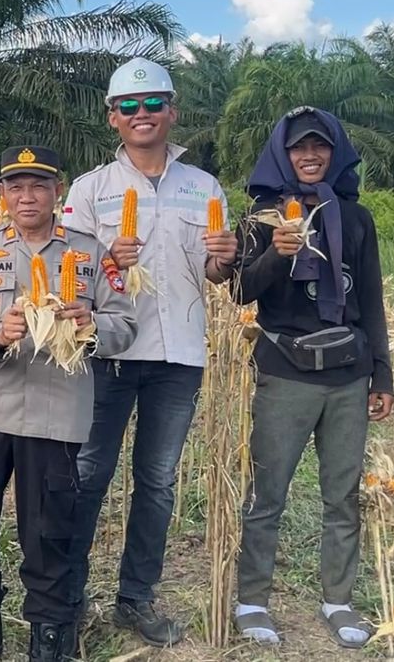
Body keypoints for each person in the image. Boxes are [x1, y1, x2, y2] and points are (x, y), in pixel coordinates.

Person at [61, 58, 238, 645]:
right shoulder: (90, 190)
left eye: (153, 103)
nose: (143, 114)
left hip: (178, 354)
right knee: (89, 475)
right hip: (107, 352)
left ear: (172, 111)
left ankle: (135, 598)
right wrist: (109, 263)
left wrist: (224, 259)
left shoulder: (203, 187)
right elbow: (68, 275)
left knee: (158, 482)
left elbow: (214, 274)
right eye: (129, 107)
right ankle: (68, 597)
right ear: (113, 117)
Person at [0, 146, 136, 662]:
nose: (27, 197)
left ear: (57, 192)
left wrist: (92, 324)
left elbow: (125, 325)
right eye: (16, 187)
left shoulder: (90, 253)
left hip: (56, 412)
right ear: (2, 194)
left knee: (48, 533)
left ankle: (49, 635)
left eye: (39, 186)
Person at [231, 106, 393, 649]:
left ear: (335, 152)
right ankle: (253, 600)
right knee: (267, 494)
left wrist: (382, 376)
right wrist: (278, 255)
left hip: (348, 375)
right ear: (282, 154)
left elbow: (371, 300)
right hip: (286, 372)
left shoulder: (357, 218)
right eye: (298, 147)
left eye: (319, 146)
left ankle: (338, 599)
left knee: (341, 495)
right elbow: (240, 291)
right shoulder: (261, 218)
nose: (309, 155)